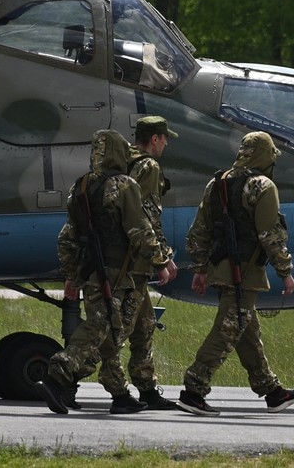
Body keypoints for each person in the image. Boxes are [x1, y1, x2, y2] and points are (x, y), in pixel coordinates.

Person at [36, 129, 174, 414]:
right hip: (118, 273)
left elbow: (67, 238)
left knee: (110, 330)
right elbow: (139, 230)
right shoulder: (125, 185)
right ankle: (59, 373)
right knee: (103, 327)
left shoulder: (81, 186)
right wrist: (160, 262)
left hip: (91, 271)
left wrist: (73, 276)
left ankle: (120, 394)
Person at [177, 131, 294, 416]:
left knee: (246, 330)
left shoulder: (217, 183)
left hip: (222, 271)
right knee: (227, 332)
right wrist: (285, 271)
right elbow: (270, 234)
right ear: (267, 156)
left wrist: (200, 269)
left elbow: (198, 233)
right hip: (244, 274)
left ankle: (271, 391)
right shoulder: (262, 186)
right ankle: (193, 389)